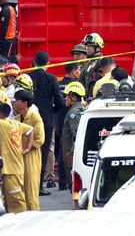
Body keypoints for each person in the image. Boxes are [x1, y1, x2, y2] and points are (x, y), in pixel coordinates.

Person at [0, 103, 34, 213]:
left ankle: (21, 221)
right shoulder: (15, 123)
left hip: (11, 170)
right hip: (12, 168)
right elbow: (30, 130)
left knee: (16, 200)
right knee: (7, 200)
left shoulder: (2, 124)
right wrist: (28, 147)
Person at [27, 51, 63, 196]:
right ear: (48, 63)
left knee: (27, 151)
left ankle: (27, 184)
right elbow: (60, 101)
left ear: (34, 61)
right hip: (46, 121)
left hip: (28, 120)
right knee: (42, 153)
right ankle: (38, 186)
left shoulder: (28, 76)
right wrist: (51, 110)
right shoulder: (52, 78)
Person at [13, 89, 45, 211]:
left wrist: (28, 147)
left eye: (17, 101)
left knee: (31, 189)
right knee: (20, 190)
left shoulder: (35, 118)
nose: (15, 103)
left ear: (25, 103)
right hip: (18, 157)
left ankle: (33, 215)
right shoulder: (15, 119)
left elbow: (40, 139)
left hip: (31, 156)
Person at [53, 61, 80, 191]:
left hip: (59, 121)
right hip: (69, 121)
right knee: (68, 152)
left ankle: (63, 182)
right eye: (78, 70)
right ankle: (70, 182)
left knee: (62, 152)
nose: (79, 73)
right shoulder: (76, 86)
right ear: (73, 70)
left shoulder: (58, 84)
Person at [61, 81, 86, 181]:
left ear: (74, 98)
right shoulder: (81, 109)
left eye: (67, 96)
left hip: (70, 152)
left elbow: (75, 134)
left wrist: (72, 153)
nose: (65, 99)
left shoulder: (74, 113)